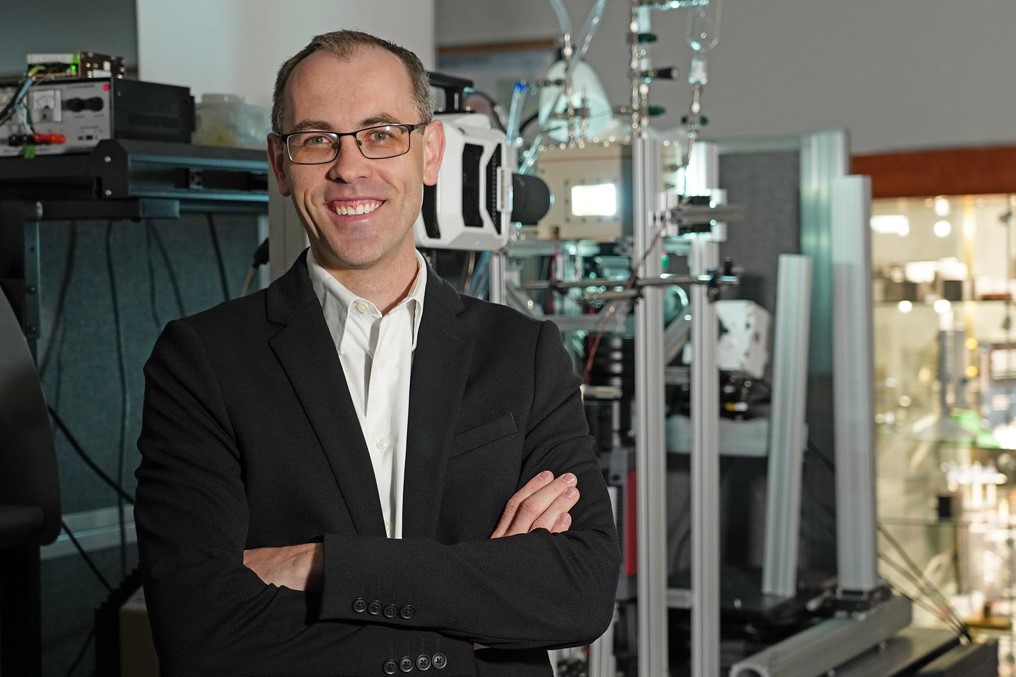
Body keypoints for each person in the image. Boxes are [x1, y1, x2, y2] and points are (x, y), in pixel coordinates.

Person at [134, 29, 620, 677]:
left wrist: (326, 566)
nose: (349, 168)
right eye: (316, 139)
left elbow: (580, 591)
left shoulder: (522, 352)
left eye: (381, 133)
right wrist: (472, 626)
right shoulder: (202, 362)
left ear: (431, 151)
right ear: (279, 164)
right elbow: (200, 630)